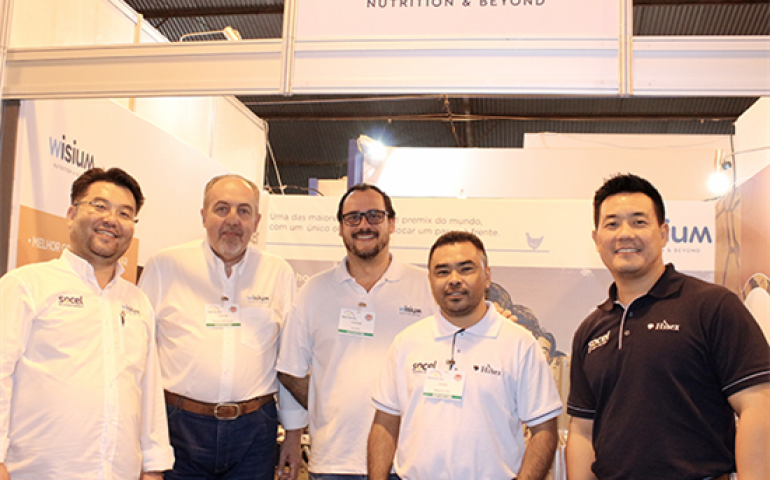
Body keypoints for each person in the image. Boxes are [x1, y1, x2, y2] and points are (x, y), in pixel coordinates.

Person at [566, 173, 770, 480]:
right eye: (612, 224)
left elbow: (758, 404)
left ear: (663, 233)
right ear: (596, 239)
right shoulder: (590, 330)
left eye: (639, 222)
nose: (625, 234)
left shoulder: (713, 306)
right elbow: (583, 430)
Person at [0, 167, 174, 479]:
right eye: (99, 206)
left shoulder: (138, 302)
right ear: (71, 214)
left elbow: (148, 392)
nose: (111, 219)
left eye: (125, 213)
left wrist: (154, 466)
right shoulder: (26, 286)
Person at [138, 174, 305, 480]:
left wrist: (293, 434)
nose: (233, 220)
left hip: (255, 431)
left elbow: (289, 360)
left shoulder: (278, 273)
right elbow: (139, 355)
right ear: (204, 216)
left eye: (244, 211)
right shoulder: (164, 266)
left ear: (256, 222)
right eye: (222, 208)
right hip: (179, 427)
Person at [368, 231, 562, 480]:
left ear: (487, 276)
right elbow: (384, 423)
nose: (454, 280)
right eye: (442, 271)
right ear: (430, 280)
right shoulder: (406, 343)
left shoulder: (520, 344)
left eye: (466, 269)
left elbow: (544, 430)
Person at [276, 183, 435, 479]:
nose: (364, 225)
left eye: (374, 215)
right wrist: (321, 408)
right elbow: (290, 370)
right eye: (353, 218)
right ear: (340, 228)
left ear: (392, 223)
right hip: (334, 462)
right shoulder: (313, 292)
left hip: (409, 462)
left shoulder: (426, 287)